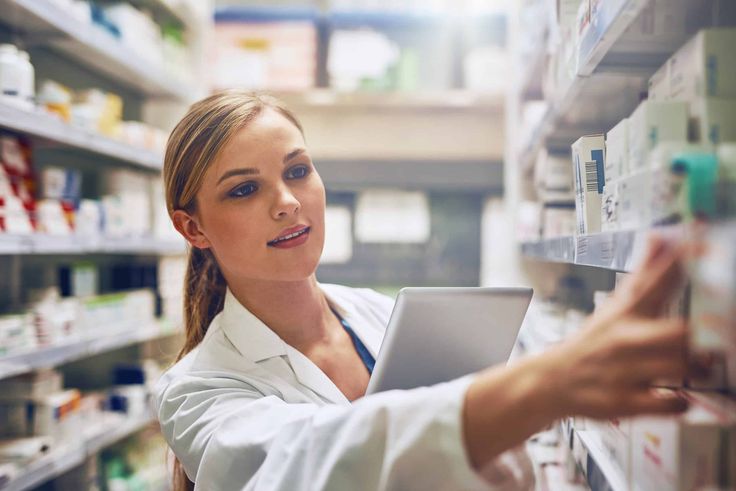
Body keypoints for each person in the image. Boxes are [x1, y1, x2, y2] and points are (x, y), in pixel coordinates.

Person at [155, 90, 706, 491]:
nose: (288, 202)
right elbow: (297, 464)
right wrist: (547, 386)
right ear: (193, 228)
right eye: (245, 189)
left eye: (298, 171)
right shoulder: (196, 389)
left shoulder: (384, 317)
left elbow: (509, 472)